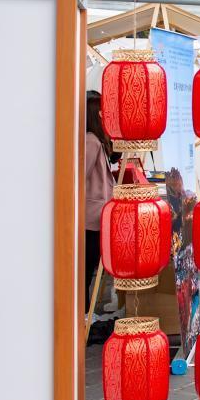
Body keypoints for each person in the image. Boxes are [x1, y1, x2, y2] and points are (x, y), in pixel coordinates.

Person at [84, 91, 115, 311]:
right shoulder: (91, 142)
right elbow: (80, 177)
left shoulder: (95, 141)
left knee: (90, 266)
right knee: (86, 268)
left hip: (96, 213)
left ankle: (87, 312)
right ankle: (85, 314)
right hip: (91, 215)